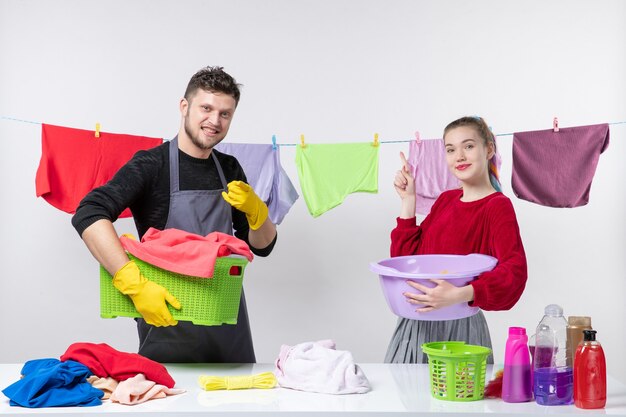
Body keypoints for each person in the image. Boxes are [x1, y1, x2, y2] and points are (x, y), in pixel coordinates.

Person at [72, 66, 277, 363]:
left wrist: (259, 213)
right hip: (168, 316)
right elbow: (89, 213)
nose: (214, 121)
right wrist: (132, 282)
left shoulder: (230, 168)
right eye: (206, 108)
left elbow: (263, 245)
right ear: (184, 107)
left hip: (227, 321)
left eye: (225, 113)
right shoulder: (151, 165)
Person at [385, 116, 527, 364]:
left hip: (460, 333)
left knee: (460, 401)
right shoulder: (445, 200)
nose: (459, 156)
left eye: (468, 146)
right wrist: (408, 201)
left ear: (489, 149)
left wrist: (460, 294)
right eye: (450, 150)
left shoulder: (497, 206)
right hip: (413, 326)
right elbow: (407, 262)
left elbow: (515, 271)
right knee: (404, 400)